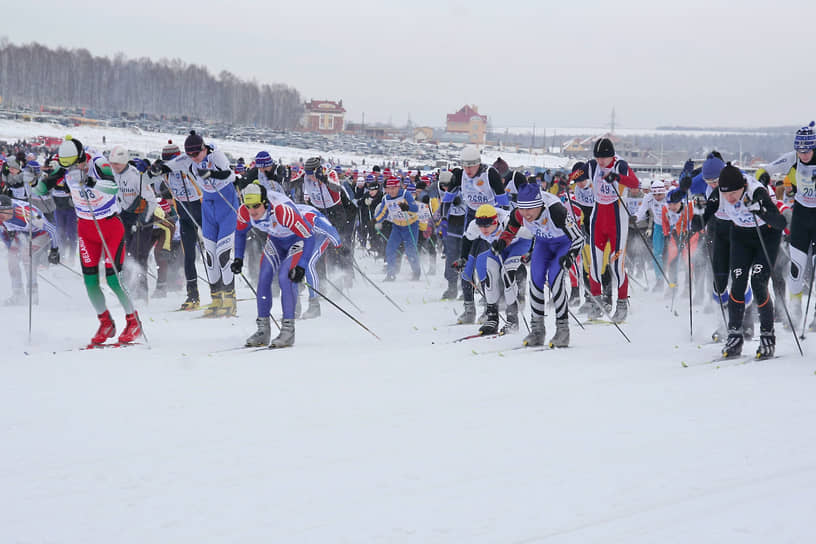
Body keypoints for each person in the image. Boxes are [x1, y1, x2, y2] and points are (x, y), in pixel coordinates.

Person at [35, 137, 141, 345]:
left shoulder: (99, 163)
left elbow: (114, 187)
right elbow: (42, 188)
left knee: (113, 279)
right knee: (90, 282)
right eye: (68, 166)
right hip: (86, 227)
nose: (73, 169)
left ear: (81, 156)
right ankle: (105, 322)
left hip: (109, 225)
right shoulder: (65, 166)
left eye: (76, 164)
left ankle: (133, 320)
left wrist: (93, 182)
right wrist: (34, 183)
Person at [158, 131, 238, 317]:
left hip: (225, 203)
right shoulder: (187, 160)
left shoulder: (215, 155)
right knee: (210, 256)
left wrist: (212, 173)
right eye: (190, 155)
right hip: (207, 208)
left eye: (196, 154)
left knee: (223, 254)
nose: (194, 159)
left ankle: (230, 299)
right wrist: (156, 169)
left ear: (203, 148)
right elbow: (168, 166)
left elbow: (229, 174)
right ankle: (215, 298)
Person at [494, 183, 584, 347]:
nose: (526, 214)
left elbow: (578, 238)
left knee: (555, 281)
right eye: (522, 209)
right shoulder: (520, 213)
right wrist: (501, 242)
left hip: (563, 244)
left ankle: (562, 331)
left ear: (540, 205)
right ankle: (537, 331)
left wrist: (570, 256)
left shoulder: (556, 210)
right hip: (543, 244)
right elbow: (510, 230)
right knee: (535, 279)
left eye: (530, 210)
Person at [714, 163, 787, 358]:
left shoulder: (758, 192)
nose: (729, 198)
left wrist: (761, 210)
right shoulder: (720, 194)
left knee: (758, 281)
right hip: (740, 237)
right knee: (737, 282)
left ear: (743, 186)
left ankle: (767, 336)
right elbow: (706, 215)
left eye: (734, 193)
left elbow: (780, 222)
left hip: (766, 237)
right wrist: (697, 217)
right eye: (725, 193)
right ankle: (734, 335)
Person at [232, 184, 315, 348]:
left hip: (296, 240)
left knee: (285, 277)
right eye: (249, 206)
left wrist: (302, 266)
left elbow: (309, 236)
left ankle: (288, 331)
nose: (252, 211)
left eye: (256, 206)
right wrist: (238, 259)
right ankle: (263, 330)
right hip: (276, 241)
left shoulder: (281, 211)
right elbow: (240, 233)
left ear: (265, 202)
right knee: (263, 278)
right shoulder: (244, 212)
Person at [754, 122, 816, 330]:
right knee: (796, 266)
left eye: (807, 151)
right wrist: (763, 178)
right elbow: (765, 170)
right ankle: (795, 309)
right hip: (801, 214)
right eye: (800, 151)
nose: (803, 155)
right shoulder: (792, 158)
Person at [453, 204, 532, 335]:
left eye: (487, 225)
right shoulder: (474, 225)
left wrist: (530, 253)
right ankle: (492, 318)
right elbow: (467, 239)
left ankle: (512, 320)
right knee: (490, 274)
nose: (484, 230)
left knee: (507, 273)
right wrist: (463, 258)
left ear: (496, 221)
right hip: (498, 248)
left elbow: (531, 234)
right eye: (481, 226)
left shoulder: (508, 221)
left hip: (519, 244)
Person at [585, 138, 640, 322]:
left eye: (605, 158)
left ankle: (622, 302)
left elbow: (634, 183)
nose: (601, 161)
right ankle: (596, 302)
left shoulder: (621, 165)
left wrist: (616, 178)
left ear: (612, 156)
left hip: (617, 222)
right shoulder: (593, 166)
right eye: (598, 157)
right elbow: (577, 176)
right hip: (598, 219)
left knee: (616, 266)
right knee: (594, 263)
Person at [149, 140, 204, 310]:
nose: (168, 164)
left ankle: (221, 291)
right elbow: (155, 184)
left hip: (200, 209)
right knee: (187, 256)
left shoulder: (185, 162)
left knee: (209, 252)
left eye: (169, 160)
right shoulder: (164, 173)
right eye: (165, 161)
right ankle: (192, 295)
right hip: (182, 215)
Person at [109, 145, 158, 302]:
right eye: (112, 163)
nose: (114, 166)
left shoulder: (136, 176)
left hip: (143, 218)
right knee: (126, 255)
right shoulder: (113, 174)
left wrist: (142, 221)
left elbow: (151, 201)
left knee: (138, 255)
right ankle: (129, 290)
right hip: (126, 216)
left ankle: (142, 294)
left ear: (124, 162)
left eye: (117, 163)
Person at [0, 194, 60, 305]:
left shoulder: (28, 214)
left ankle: (33, 295)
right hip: (22, 233)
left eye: (2, 213)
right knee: (12, 261)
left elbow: (52, 229)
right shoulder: (3, 216)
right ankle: (18, 295)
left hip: (40, 234)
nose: (0, 217)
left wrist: (54, 250)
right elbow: (4, 235)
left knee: (25, 256)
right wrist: (11, 249)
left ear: (10, 209)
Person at [373, 176, 421, 281]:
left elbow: (415, 208)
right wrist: (376, 220)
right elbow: (383, 213)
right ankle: (391, 274)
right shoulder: (386, 199)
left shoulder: (405, 194)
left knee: (410, 251)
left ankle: (416, 272)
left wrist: (407, 207)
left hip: (410, 226)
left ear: (398, 187)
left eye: (394, 188)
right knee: (390, 249)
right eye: (389, 188)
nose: (391, 191)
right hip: (397, 227)